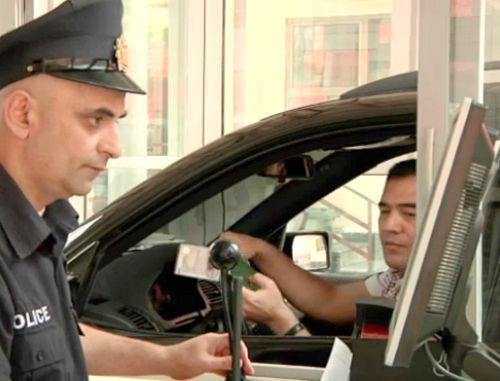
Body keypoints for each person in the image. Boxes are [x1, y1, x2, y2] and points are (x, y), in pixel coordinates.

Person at [0, 1, 253, 379]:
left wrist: (170, 360)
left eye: (116, 121)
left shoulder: (41, 225)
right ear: (23, 115)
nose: (115, 147)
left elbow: (49, 344)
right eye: (95, 119)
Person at [224, 159, 416, 335]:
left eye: (409, 213)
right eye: (385, 211)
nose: (389, 225)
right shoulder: (400, 278)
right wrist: (259, 250)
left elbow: (357, 374)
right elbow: (329, 301)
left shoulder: (436, 298)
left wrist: (278, 318)